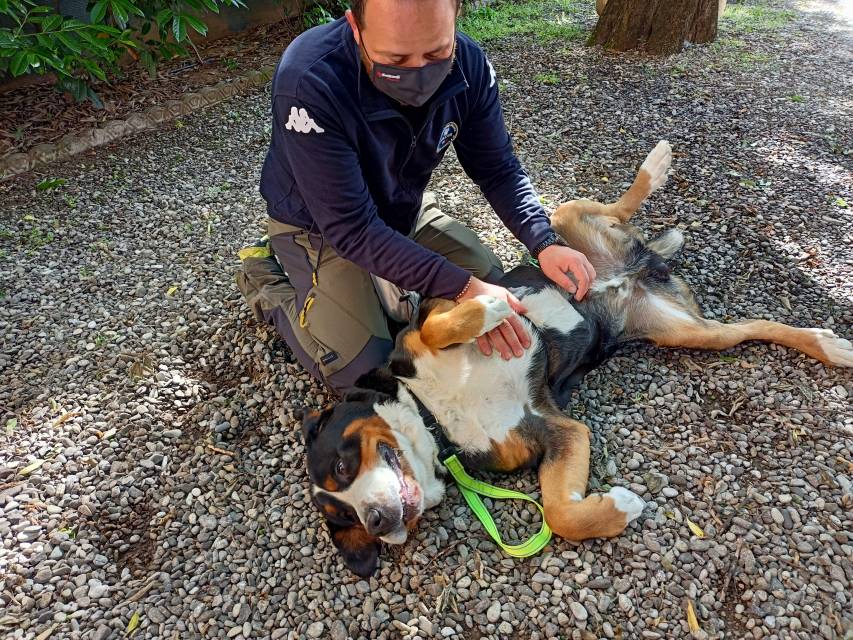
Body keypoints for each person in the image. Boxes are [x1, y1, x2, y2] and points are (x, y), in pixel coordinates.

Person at [237, 0, 596, 396]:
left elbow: (497, 168)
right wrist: (462, 287)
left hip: (401, 211)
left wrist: (544, 241)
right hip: (318, 226)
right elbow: (352, 230)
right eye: (396, 59)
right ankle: (261, 277)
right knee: (365, 374)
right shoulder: (309, 80)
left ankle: (397, 290)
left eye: (436, 53)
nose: (420, 73)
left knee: (497, 290)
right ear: (355, 26)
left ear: (456, 17)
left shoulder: (470, 64)